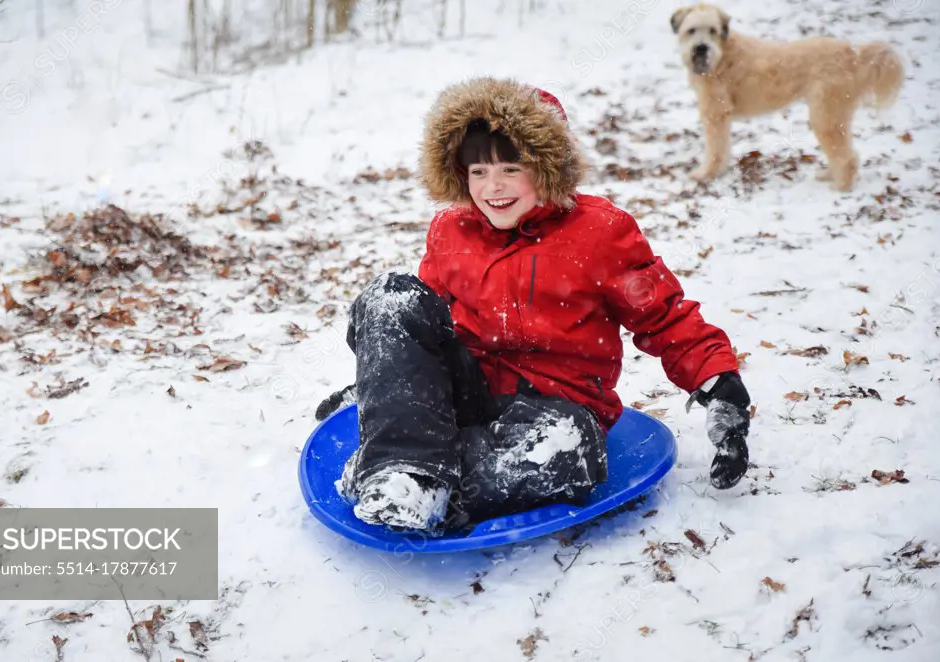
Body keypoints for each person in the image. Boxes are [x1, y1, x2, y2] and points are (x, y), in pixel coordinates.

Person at [315, 77, 751, 534]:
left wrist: (720, 384)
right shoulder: (450, 230)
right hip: (470, 391)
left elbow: (663, 316)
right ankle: (407, 469)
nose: (493, 187)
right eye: (478, 172)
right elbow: (428, 330)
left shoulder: (600, 232)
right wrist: (384, 383)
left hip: (556, 408)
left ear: (546, 167)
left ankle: (406, 475)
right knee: (393, 294)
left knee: (565, 449)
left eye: (510, 168)